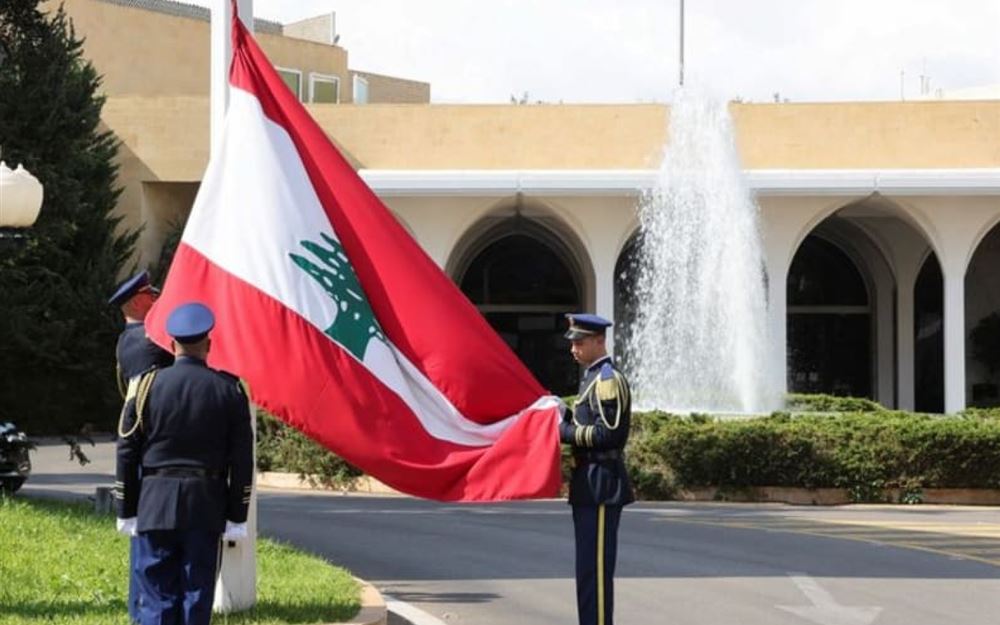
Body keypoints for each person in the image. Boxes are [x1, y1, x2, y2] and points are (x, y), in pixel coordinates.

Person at [115, 302, 254, 625]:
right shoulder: (229, 390)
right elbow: (242, 459)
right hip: (206, 504)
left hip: (154, 503)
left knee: (155, 596)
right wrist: (237, 515)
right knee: (196, 593)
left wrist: (126, 508)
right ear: (208, 345)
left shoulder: (147, 387)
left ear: (172, 345)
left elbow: (127, 450)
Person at [108, 270, 174, 623]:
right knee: (148, 545)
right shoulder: (145, 341)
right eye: (152, 295)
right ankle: (143, 612)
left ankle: (143, 610)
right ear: (136, 301)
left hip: (146, 450)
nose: (158, 298)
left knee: (147, 542)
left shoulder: (136, 338)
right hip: (148, 451)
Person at [559, 313, 634, 625]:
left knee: (597, 573)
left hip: (602, 483)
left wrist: (562, 431)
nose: (573, 348)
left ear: (599, 341)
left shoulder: (606, 380)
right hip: (588, 482)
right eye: (573, 342)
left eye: (580, 341)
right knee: (587, 571)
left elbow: (609, 434)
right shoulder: (591, 377)